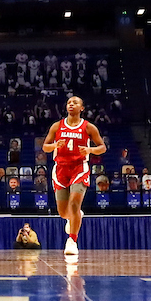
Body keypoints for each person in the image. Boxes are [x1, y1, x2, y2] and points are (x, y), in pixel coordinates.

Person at [42, 95, 106, 258]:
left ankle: (72, 240)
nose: (71, 104)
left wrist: (90, 150)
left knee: (75, 203)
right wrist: (55, 145)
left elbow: (102, 147)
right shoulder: (57, 126)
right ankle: (73, 218)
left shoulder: (89, 127)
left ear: (82, 108)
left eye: (75, 102)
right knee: (64, 212)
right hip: (61, 169)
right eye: (69, 102)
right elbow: (45, 147)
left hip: (79, 168)